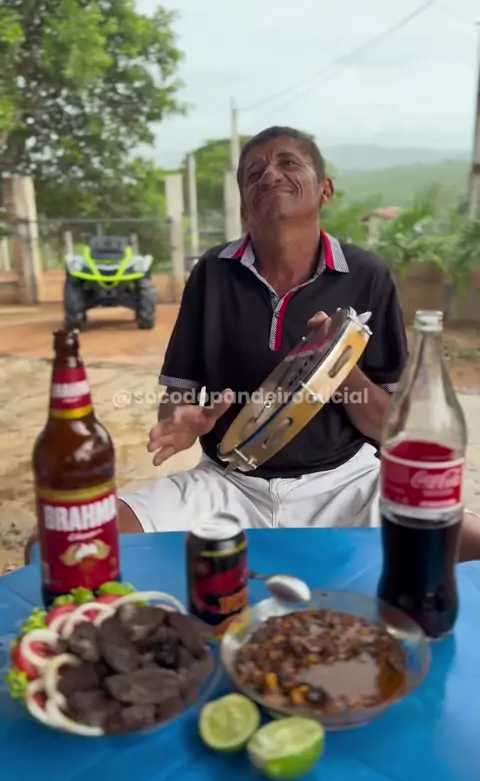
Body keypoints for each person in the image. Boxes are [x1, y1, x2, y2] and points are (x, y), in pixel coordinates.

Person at [23, 125, 480, 565]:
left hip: (346, 485)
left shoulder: (367, 275)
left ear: (325, 189)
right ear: (245, 203)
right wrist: (181, 422)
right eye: (254, 173)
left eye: (288, 163)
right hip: (229, 484)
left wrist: (334, 365)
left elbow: (393, 428)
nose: (270, 175)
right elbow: (178, 396)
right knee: (55, 546)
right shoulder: (213, 272)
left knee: (474, 543)